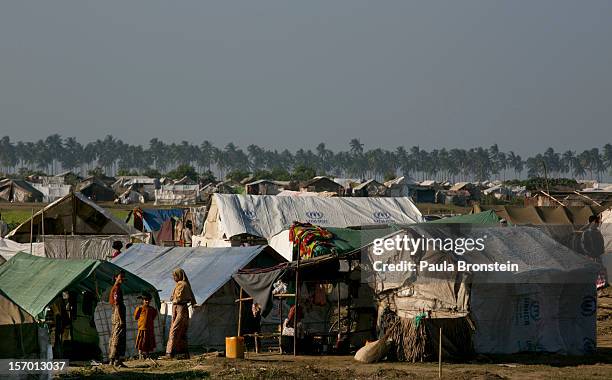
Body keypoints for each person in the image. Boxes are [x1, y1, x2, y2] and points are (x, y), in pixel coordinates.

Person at [163, 268, 197, 359]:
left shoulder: (183, 285)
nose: (174, 278)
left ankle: (169, 352)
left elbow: (178, 298)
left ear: (179, 275)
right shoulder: (178, 285)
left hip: (181, 308)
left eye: (175, 276)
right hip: (177, 308)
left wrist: (174, 299)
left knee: (175, 329)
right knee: (180, 330)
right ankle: (181, 352)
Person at [581, 214, 607, 288]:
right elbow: (584, 245)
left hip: (598, 256)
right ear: (592, 222)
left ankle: (600, 288)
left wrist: (601, 253)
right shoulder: (586, 233)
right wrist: (590, 254)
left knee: (599, 272)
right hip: (591, 256)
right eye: (597, 222)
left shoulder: (598, 232)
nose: (598, 223)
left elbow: (601, 244)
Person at [108, 271, 127, 367]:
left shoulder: (117, 288)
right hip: (118, 314)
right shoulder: (116, 289)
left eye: (123, 277)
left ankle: (115, 359)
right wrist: (121, 319)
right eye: (121, 277)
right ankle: (114, 359)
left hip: (117, 313)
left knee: (117, 336)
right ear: (116, 277)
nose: (122, 279)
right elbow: (117, 305)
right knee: (117, 337)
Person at [134, 292, 158, 359]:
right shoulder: (139, 308)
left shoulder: (152, 309)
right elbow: (136, 317)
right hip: (142, 328)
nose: (147, 301)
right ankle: (140, 354)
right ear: (143, 300)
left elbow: (153, 317)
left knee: (148, 341)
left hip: (149, 328)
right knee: (141, 342)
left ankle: (147, 354)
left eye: (148, 300)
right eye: (145, 300)